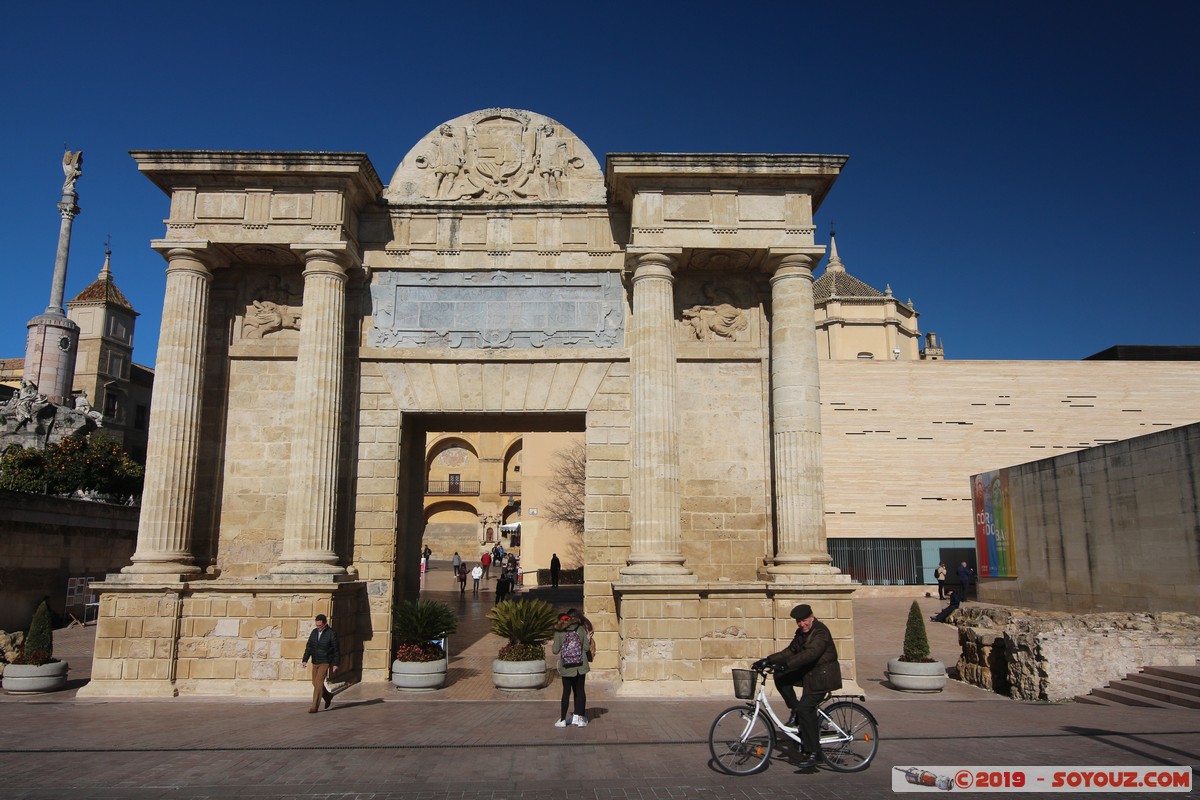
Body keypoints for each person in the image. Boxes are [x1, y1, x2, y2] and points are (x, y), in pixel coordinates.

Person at [752, 604, 841, 769]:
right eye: (799, 621)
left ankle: (815, 753)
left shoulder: (821, 632)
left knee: (806, 709)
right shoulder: (801, 633)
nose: (802, 624)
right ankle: (795, 710)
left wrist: (787, 665)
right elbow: (790, 651)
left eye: (804, 620)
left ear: (812, 617)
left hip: (822, 678)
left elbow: (810, 654)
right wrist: (768, 660)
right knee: (780, 677)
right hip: (809, 675)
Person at [552, 608, 592, 727]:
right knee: (580, 691)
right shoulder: (580, 629)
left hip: (567, 667)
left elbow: (555, 651)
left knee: (566, 693)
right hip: (581, 666)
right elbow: (586, 648)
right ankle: (580, 719)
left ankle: (563, 720)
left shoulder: (559, 632)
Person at [301, 614, 340, 714]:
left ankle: (314, 707)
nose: (318, 627)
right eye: (317, 625)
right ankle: (328, 696)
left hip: (325, 661)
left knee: (319, 683)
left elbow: (336, 650)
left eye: (320, 625)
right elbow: (309, 646)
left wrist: (335, 664)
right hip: (315, 661)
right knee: (314, 683)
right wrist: (305, 659)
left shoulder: (331, 633)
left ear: (325, 624)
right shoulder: (314, 632)